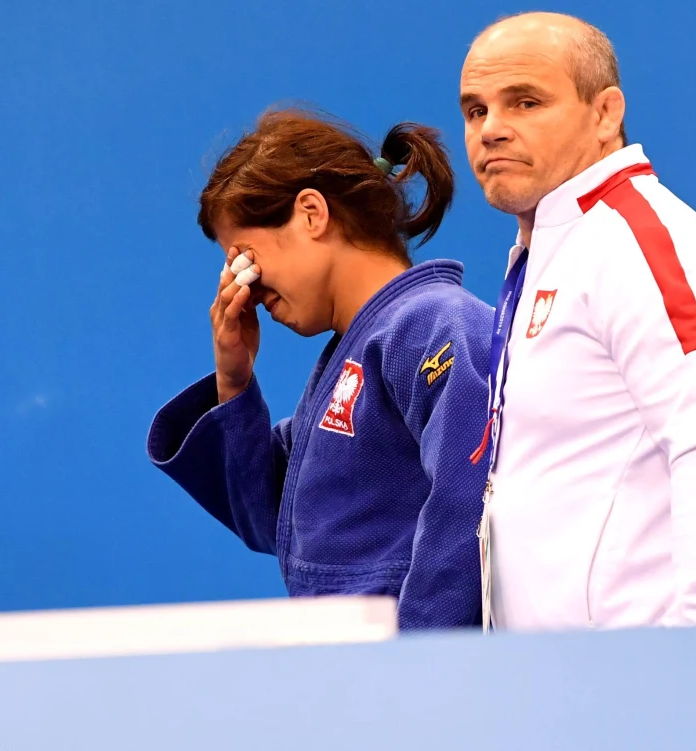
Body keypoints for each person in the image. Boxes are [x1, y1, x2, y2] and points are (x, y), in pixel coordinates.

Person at [459, 12, 696, 631]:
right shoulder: (552, 245)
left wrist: (691, 653)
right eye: (476, 110)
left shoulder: (640, 241)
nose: (492, 129)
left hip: (644, 688)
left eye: (525, 102)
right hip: (566, 688)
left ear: (605, 113)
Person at [146, 109, 492, 630]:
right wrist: (234, 382)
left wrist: (424, 658)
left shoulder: (435, 323)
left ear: (311, 214)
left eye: (246, 259)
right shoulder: (347, 355)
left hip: (412, 662)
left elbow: (469, 503)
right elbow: (269, 521)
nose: (249, 289)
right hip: (356, 660)